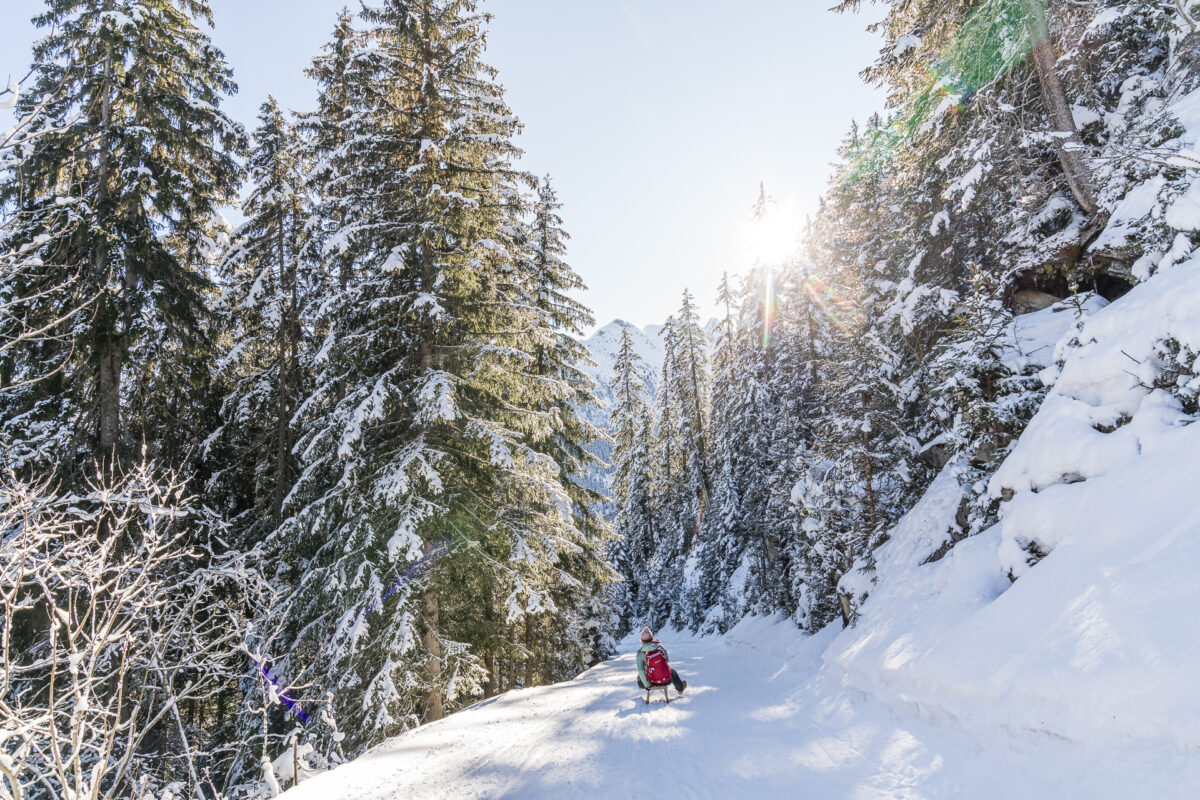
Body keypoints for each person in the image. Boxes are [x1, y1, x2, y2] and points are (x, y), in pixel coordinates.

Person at [636, 626, 687, 695]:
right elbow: (667, 660)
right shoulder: (659, 647)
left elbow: (641, 671)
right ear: (652, 638)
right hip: (666, 680)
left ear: (642, 641)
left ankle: (641, 685)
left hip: (651, 682)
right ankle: (680, 688)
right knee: (673, 672)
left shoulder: (640, 654)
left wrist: (647, 685)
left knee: (640, 675)